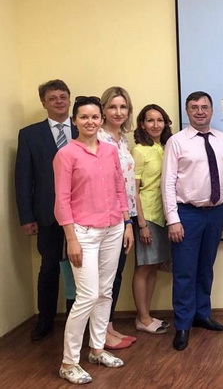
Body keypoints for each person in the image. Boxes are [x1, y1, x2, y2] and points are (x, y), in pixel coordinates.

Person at [54, 95, 134, 384]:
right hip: (83, 233)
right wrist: (71, 239)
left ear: (101, 120)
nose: (90, 121)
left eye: (94, 116)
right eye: (84, 117)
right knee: (86, 296)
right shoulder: (66, 154)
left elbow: (119, 189)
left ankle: (97, 349)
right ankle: (68, 362)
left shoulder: (110, 151)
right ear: (75, 120)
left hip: (113, 228)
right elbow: (62, 201)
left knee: (105, 292)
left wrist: (126, 223)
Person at [163, 91, 223, 351]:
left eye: (204, 107)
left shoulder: (222, 140)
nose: (200, 111)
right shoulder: (176, 142)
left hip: (215, 213)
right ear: (187, 111)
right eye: (194, 107)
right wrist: (173, 220)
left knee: (205, 268)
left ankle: (201, 315)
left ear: (211, 110)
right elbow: (168, 183)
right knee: (185, 271)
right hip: (187, 214)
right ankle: (183, 325)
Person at [15, 79, 78, 341]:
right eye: (53, 98)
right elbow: (23, 178)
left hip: (81, 214)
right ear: (44, 103)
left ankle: (75, 320)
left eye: (63, 97)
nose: (59, 102)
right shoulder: (29, 135)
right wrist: (27, 216)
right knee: (49, 268)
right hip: (47, 214)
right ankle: (45, 320)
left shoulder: (83, 128)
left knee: (79, 269)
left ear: (69, 99)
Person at [96, 87, 138, 349]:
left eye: (123, 107)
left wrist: (130, 219)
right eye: (112, 107)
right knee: (105, 277)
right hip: (109, 218)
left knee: (116, 274)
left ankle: (108, 327)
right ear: (103, 110)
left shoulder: (122, 140)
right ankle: (101, 334)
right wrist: (124, 221)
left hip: (125, 215)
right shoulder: (99, 139)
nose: (118, 112)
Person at [131, 104, 173, 334]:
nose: (155, 125)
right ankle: (143, 318)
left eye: (160, 120)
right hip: (147, 216)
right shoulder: (139, 150)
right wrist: (142, 224)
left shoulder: (165, 147)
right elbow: (133, 190)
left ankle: (146, 315)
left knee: (154, 266)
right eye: (150, 120)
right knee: (143, 267)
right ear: (142, 124)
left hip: (163, 214)